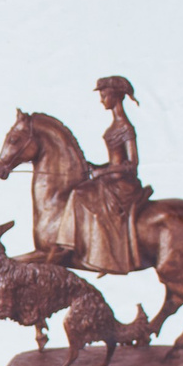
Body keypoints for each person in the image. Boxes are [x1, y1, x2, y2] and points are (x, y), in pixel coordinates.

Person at [60, 75, 150, 274]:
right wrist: (96, 166)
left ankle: (79, 250)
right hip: (111, 179)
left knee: (79, 194)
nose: (101, 100)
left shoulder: (125, 128)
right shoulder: (114, 126)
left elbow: (132, 164)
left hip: (123, 185)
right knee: (80, 190)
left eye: (104, 95)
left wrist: (103, 171)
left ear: (115, 97)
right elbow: (117, 161)